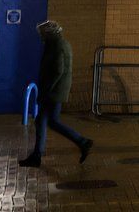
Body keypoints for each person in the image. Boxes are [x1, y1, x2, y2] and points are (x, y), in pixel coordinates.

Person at [20, 19, 93, 167]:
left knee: (50, 121)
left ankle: (82, 141)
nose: (40, 37)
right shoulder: (60, 44)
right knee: (45, 121)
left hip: (53, 92)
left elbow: (58, 70)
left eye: (42, 34)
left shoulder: (56, 46)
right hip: (56, 90)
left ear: (48, 33)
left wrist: (46, 90)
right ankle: (37, 155)